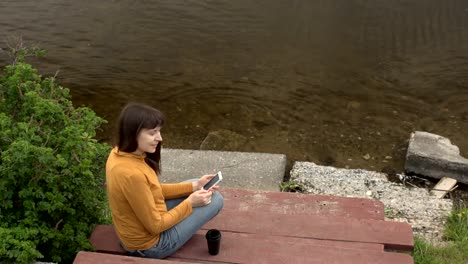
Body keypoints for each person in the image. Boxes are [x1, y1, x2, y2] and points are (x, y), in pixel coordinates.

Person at [106, 102, 224, 259]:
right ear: (133, 133)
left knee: (197, 185)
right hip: (151, 246)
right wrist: (190, 203)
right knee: (216, 200)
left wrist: (194, 186)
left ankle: (195, 187)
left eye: (159, 131)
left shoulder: (118, 153)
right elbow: (156, 226)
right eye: (152, 133)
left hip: (134, 227)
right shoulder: (132, 175)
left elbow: (152, 190)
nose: (159, 138)